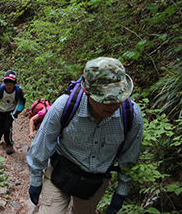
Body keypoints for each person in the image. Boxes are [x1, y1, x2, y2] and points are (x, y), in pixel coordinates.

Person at [27, 57, 144, 214]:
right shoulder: (63, 107)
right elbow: (43, 143)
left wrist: (122, 191)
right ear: (87, 92)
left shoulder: (131, 115)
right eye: (106, 100)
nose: (114, 105)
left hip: (94, 183)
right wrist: (35, 180)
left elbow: (129, 156)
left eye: (118, 98)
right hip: (61, 172)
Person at [0, 70, 26, 155]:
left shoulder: (18, 91)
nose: (9, 86)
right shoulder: (1, 89)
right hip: (1, 110)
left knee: (7, 127)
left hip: (10, 112)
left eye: (11, 84)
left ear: (15, 84)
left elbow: (22, 101)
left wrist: (19, 110)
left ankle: (9, 143)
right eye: (7, 84)